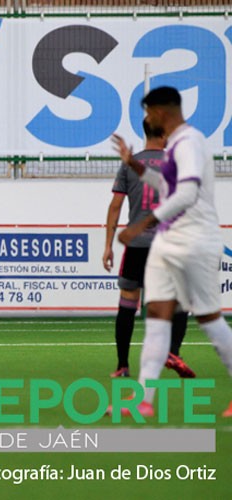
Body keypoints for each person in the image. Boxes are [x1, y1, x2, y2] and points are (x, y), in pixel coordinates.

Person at [111, 86, 232, 418]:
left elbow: (187, 193)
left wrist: (140, 225)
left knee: (209, 318)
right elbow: (165, 186)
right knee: (157, 317)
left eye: (148, 113)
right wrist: (133, 164)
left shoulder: (189, 143)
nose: (147, 119)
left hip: (196, 241)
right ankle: (143, 400)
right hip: (168, 241)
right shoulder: (175, 145)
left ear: (161, 112)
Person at [103, 120, 194, 379]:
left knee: (128, 304)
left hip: (136, 245)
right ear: (165, 134)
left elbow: (115, 206)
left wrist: (108, 246)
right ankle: (173, 352)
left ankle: (122, 366)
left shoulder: (130, 164)